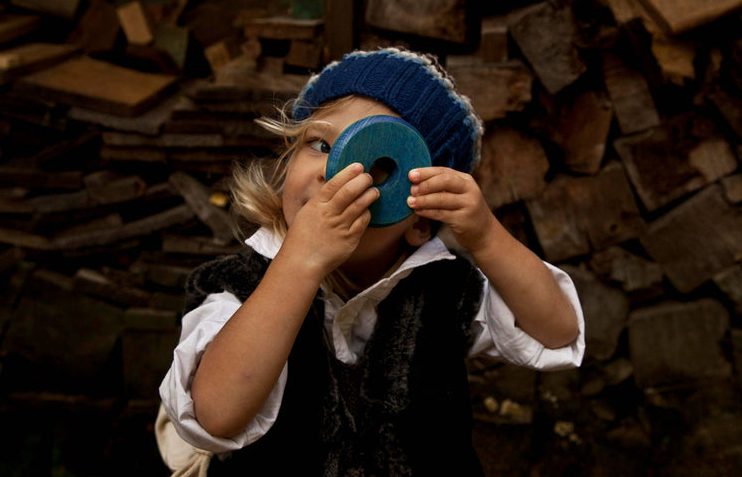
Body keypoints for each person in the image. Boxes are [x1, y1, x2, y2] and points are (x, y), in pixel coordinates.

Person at [158, 47, 585, 476]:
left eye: (377, 167)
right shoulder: (236, 286)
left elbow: (556, 332)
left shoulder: (446, 290)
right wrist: (298, 264)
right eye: (321, 144)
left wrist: (487, 237)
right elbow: (214, 415)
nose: (334, 172)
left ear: (420, 221)